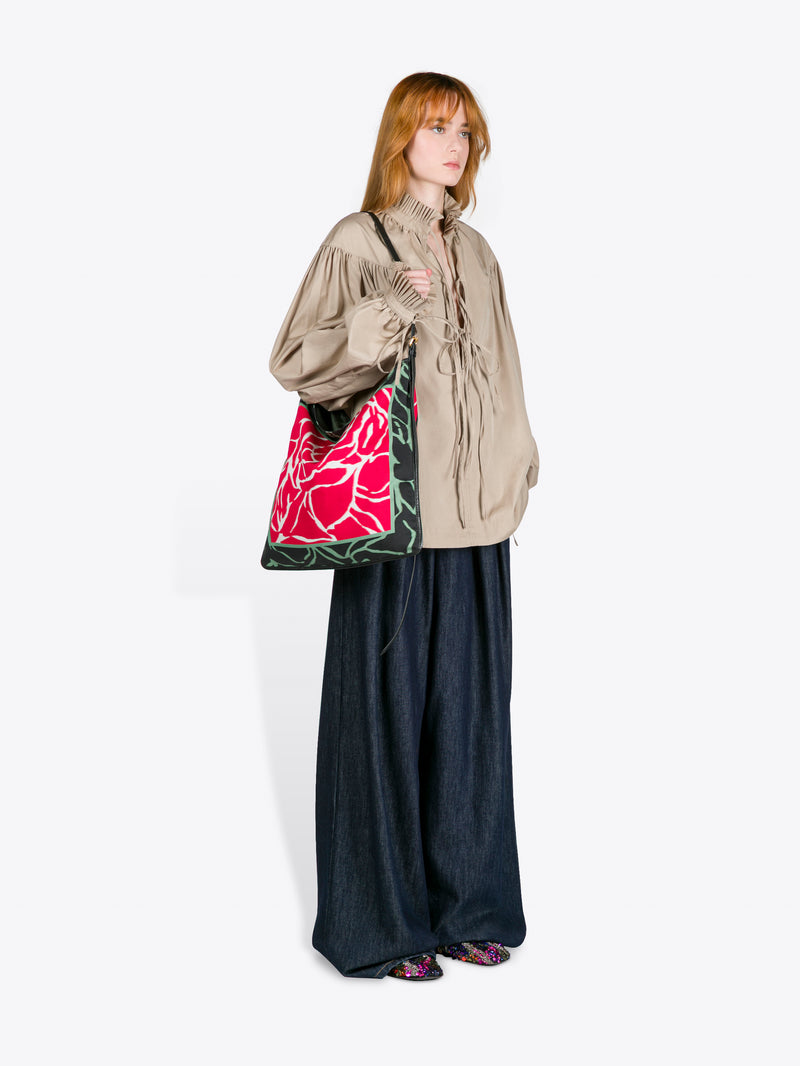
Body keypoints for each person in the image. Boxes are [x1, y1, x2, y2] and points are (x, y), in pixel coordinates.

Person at [269, 72, 540, 980]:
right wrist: (387, 308)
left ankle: (470, 907)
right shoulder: (359, 241)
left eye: (466, 129)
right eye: (436, 127)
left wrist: (519, 465)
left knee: (470, 723)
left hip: (478, 526)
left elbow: (502, 376)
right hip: (395, 519)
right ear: (401, 138)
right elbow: (296, 361)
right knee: (379, 721)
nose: (455, 145)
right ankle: (379, 926)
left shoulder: (482, 255)